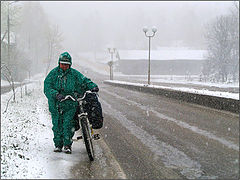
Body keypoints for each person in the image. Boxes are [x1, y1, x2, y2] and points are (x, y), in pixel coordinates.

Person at [44, 52, 99, 154]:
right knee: (57, 125)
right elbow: (47, 87)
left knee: (68, 124)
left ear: (70, 64)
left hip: (70, 104)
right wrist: (56, 94)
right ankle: (58, 145)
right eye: (62, 64)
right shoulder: (53, 74)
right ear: (59, 63)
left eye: (66, 64)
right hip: (56, 104)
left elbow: (84, 80)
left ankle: (67, 145)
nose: (64, 66)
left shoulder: (74, 74)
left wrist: (92, 86)